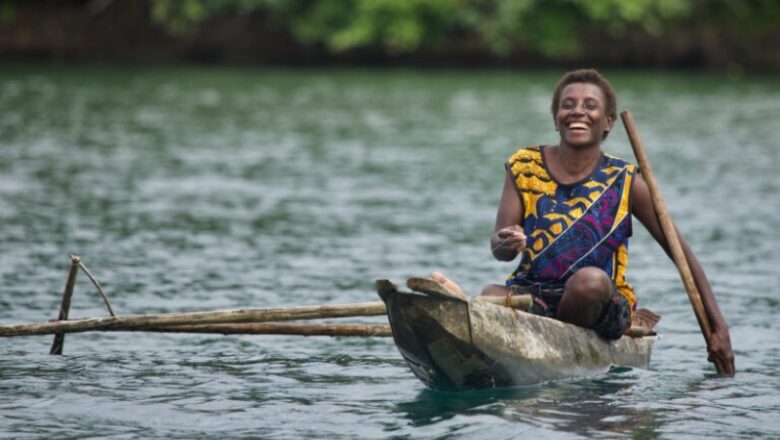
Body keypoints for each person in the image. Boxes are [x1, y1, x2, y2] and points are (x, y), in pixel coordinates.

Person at [433, 68, 735, 375]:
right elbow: (500, 249)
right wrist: (507, 240)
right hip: (535, 295)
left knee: (588, 282)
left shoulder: (626, 181)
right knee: (491, 294)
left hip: (599, 304)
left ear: (607, 122)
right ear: (555, 119)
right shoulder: (524, 166)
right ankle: (480, 317)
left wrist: (718, 329)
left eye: (590, 106)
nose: (578, 111)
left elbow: (682, 256)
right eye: (568, 105)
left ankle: (540, 344)